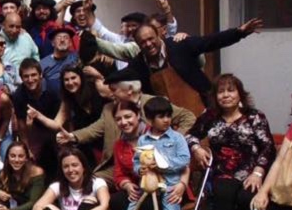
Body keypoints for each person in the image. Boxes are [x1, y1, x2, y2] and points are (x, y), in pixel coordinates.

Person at [186, 74, 276, 210]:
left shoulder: (255, 116)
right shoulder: (210, 117)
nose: (226, 95)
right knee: (222, 196)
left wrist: (258, 173)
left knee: (249, 199)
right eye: (221, 91)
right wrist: (197, 149)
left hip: (252, 172)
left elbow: (268, 148)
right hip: (223, 172)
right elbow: (190, 135)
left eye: (230, 90)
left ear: (240, 94)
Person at [56, 68, 195, 186]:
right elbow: (93, 129)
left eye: (114, 90)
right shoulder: (109, 108)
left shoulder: (153, 103)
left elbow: (188, 117)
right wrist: (72, 136)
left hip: (152, 164)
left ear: (129, 90)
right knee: (91, 183)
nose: (111, 94)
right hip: (118, 165)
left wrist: (171, 141)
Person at [127, 19, 264, 116]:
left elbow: (211, 41)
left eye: (151, 39)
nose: (148, 44)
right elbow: (121, 81)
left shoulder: (178, 45)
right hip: (168, 122)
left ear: (159, 35)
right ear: (137, 45)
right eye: (143, 42)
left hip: (203, 109)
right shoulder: (138, 65)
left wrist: (239, 32)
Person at [122, 97, 192, 210]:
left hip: (170, 187)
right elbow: (136, 162)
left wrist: (162, 164)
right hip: (146, 187)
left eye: (168, 116)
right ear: (150, 120)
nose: (167, 120)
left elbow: (185, 160)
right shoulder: (143, 139)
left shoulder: (177, 138)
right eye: (161, 116)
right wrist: (141, 170)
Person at [30, 65, 106, 166]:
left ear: (81, 78)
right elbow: (57, 124)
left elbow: (112, 94)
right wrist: (38, 115)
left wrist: (99, 77)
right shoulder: (68, 100)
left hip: (105, 136)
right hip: (85, 141)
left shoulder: (95, 88)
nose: (70, 82)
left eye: (73, 78)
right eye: (66, 80)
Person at [13, 59, 60, 173]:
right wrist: (26, 148)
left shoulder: (54, 88)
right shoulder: (19, 95)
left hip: (57, 127)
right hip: (36, 131)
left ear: (41, 75)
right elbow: (21, 125)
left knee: (63, 156)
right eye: (26, 76)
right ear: (21, 78)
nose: (30, 80)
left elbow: (66, 118)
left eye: (33, 75)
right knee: (31, 159)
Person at [0, 141, 47, 210]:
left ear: (26, 158)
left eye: (21, 156)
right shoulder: (4, 173)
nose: (16, 160)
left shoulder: (36, 172)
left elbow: (33, 203)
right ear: (7, 158)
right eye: (13, 156)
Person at [40, 26, 79, 95]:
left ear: (70, 43)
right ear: (53, 43)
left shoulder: (77, 57)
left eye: (66, 37)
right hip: (54, 98)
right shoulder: (42, 64)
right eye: (58, 38)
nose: (62, 40)